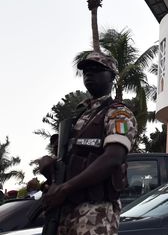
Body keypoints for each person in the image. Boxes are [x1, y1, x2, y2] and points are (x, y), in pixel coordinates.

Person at [39, 51, 137, 235]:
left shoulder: (118, 114)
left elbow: (113, 158)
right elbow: (69, 160)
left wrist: (65, 188)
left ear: (112, 76)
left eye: (98, 69)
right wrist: (49, 166)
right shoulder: (79, 117)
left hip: (96, 211)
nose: (89, 73)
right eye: (86, 70)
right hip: (65, 208)